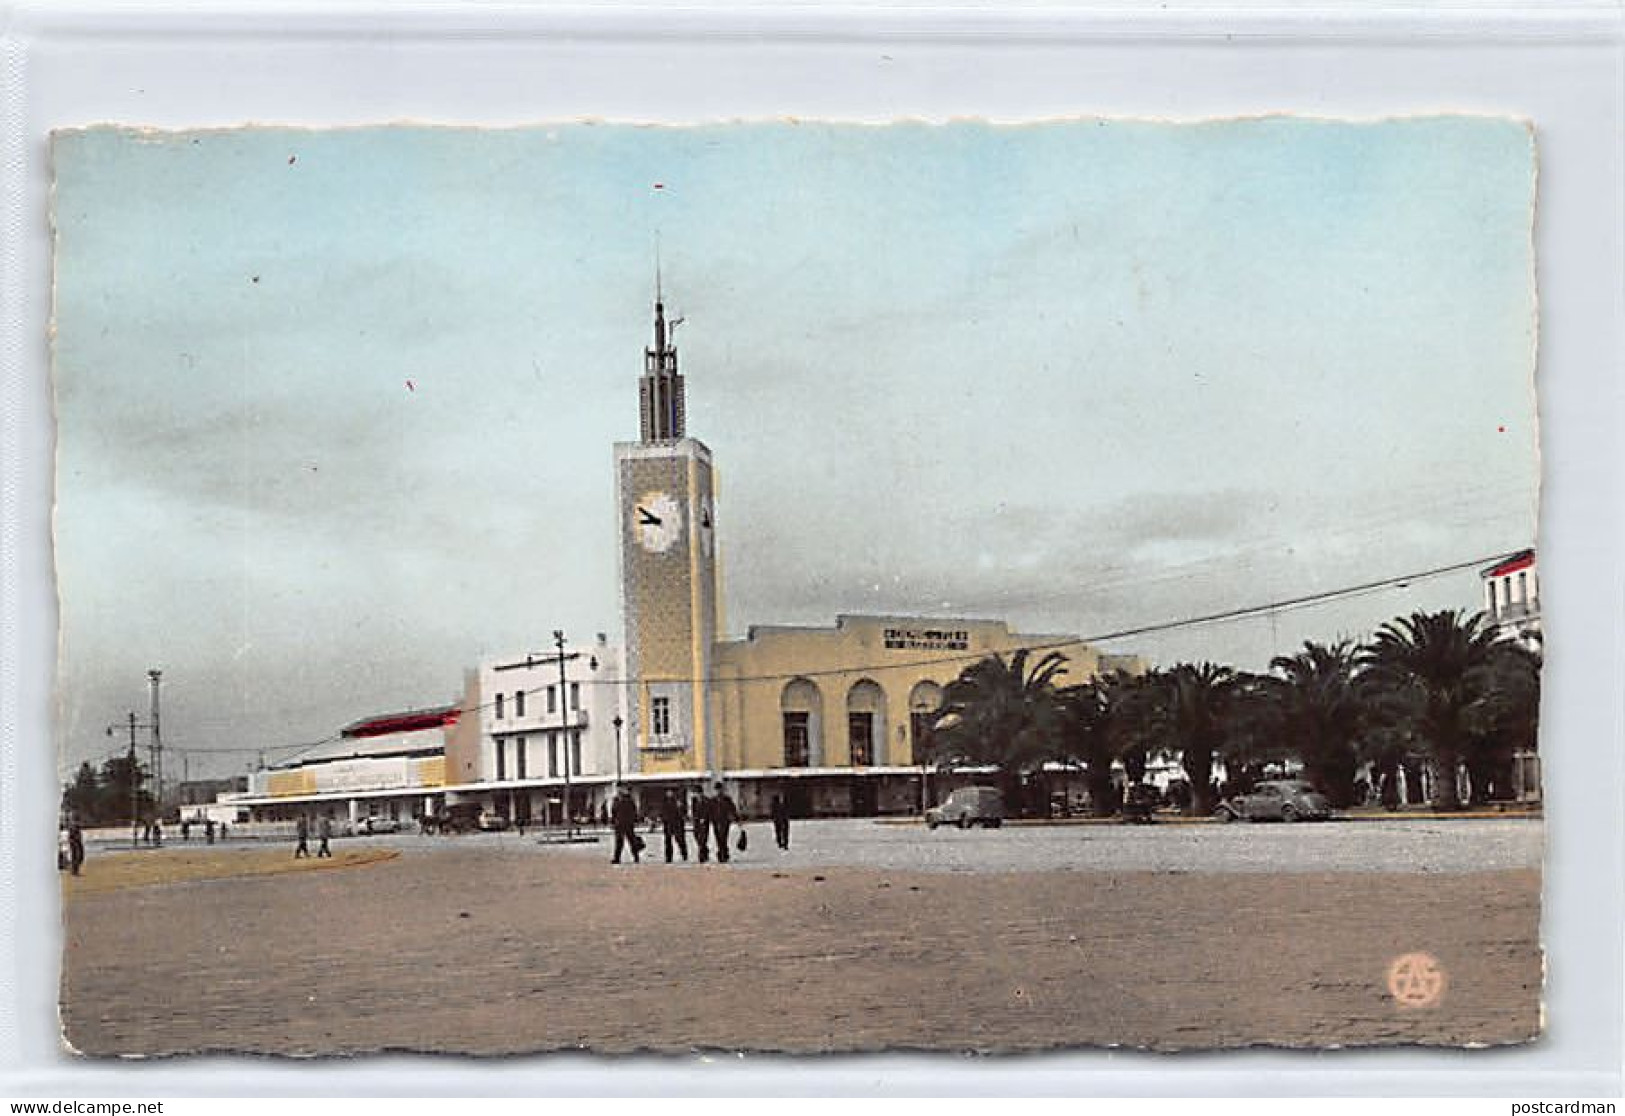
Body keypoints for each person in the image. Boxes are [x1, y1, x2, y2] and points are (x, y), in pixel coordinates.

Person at [610, 788, 641, 864]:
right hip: (621, 824)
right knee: (622, 841)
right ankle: (618, 858)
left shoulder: (627, 800)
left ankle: (635, 857)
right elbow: (614, 812)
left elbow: (633, 811)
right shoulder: (618, 800)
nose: (618, 792)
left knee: (630, 841)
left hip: (626, 823)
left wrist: (634, 820)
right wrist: (613, 822)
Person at [710, 782, 738, 864]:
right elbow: (709, 811)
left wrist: (736, 818)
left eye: (719, 789)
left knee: (724, 837)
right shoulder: (713, 800)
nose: (718, 791)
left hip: (725, 821)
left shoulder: (727, 799)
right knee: (718, 838)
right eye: (717, 790)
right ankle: (721, 853)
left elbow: (732, 809)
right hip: (715, 821)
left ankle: (724, 854)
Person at [660, 789, 688, 863]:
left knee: (680, 840)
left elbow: (682, 812)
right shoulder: (664, 802)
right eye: (668, 792)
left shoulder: (677, 801)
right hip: (668, 824)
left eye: (670, 792)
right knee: (668, 842)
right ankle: (668, 857)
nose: (669, 794)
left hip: (677, 824)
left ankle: (684, 854)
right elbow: (662, 813)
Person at [690, 789, 712, 863]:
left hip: (704, 822)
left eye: (698, 793)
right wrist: (694, 818)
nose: (697, 795)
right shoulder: (694, 800)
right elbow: (693, 810)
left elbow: (708, 810)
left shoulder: (706, 800)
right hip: (696, 821)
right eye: (696, 793)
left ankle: (702, 856)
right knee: (696, 836)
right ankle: (705, 850)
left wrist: (704, 818)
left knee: (703, 838)